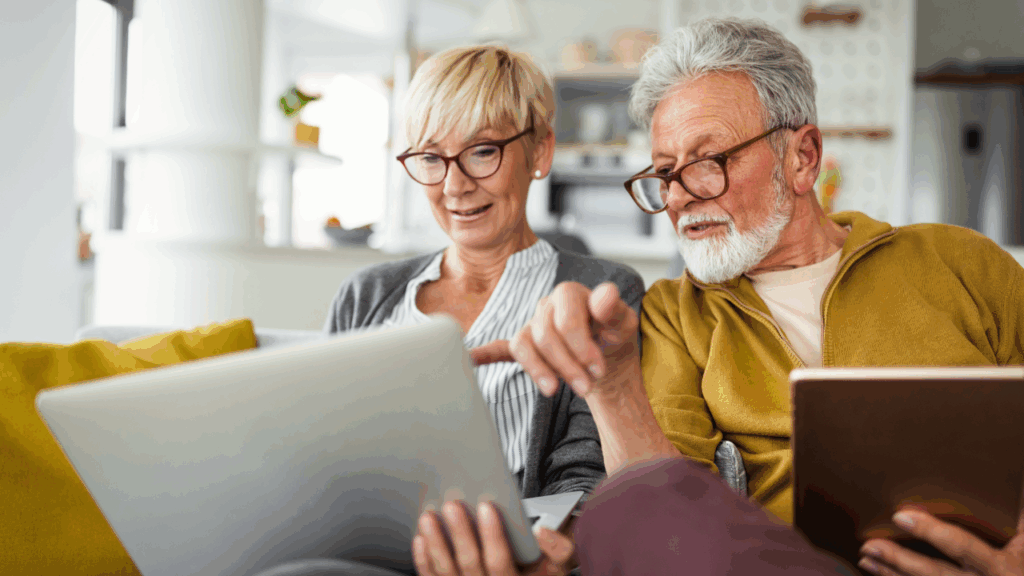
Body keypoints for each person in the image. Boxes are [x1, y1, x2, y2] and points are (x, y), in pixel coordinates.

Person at [413, 17, 1024, 576]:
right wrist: (612, 384)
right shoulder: (674, 315)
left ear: (802, 158)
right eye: (662, 172)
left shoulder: (960, 262)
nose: (678, 196)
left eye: (707, 161)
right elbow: (660, 519)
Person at [323, 45, 643, 506]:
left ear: (541, 149)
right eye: (431, 158)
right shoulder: (365, 295)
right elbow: (323, 456)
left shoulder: (602, 295)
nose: (454, 186)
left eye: (482, 151)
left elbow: (584, 482)